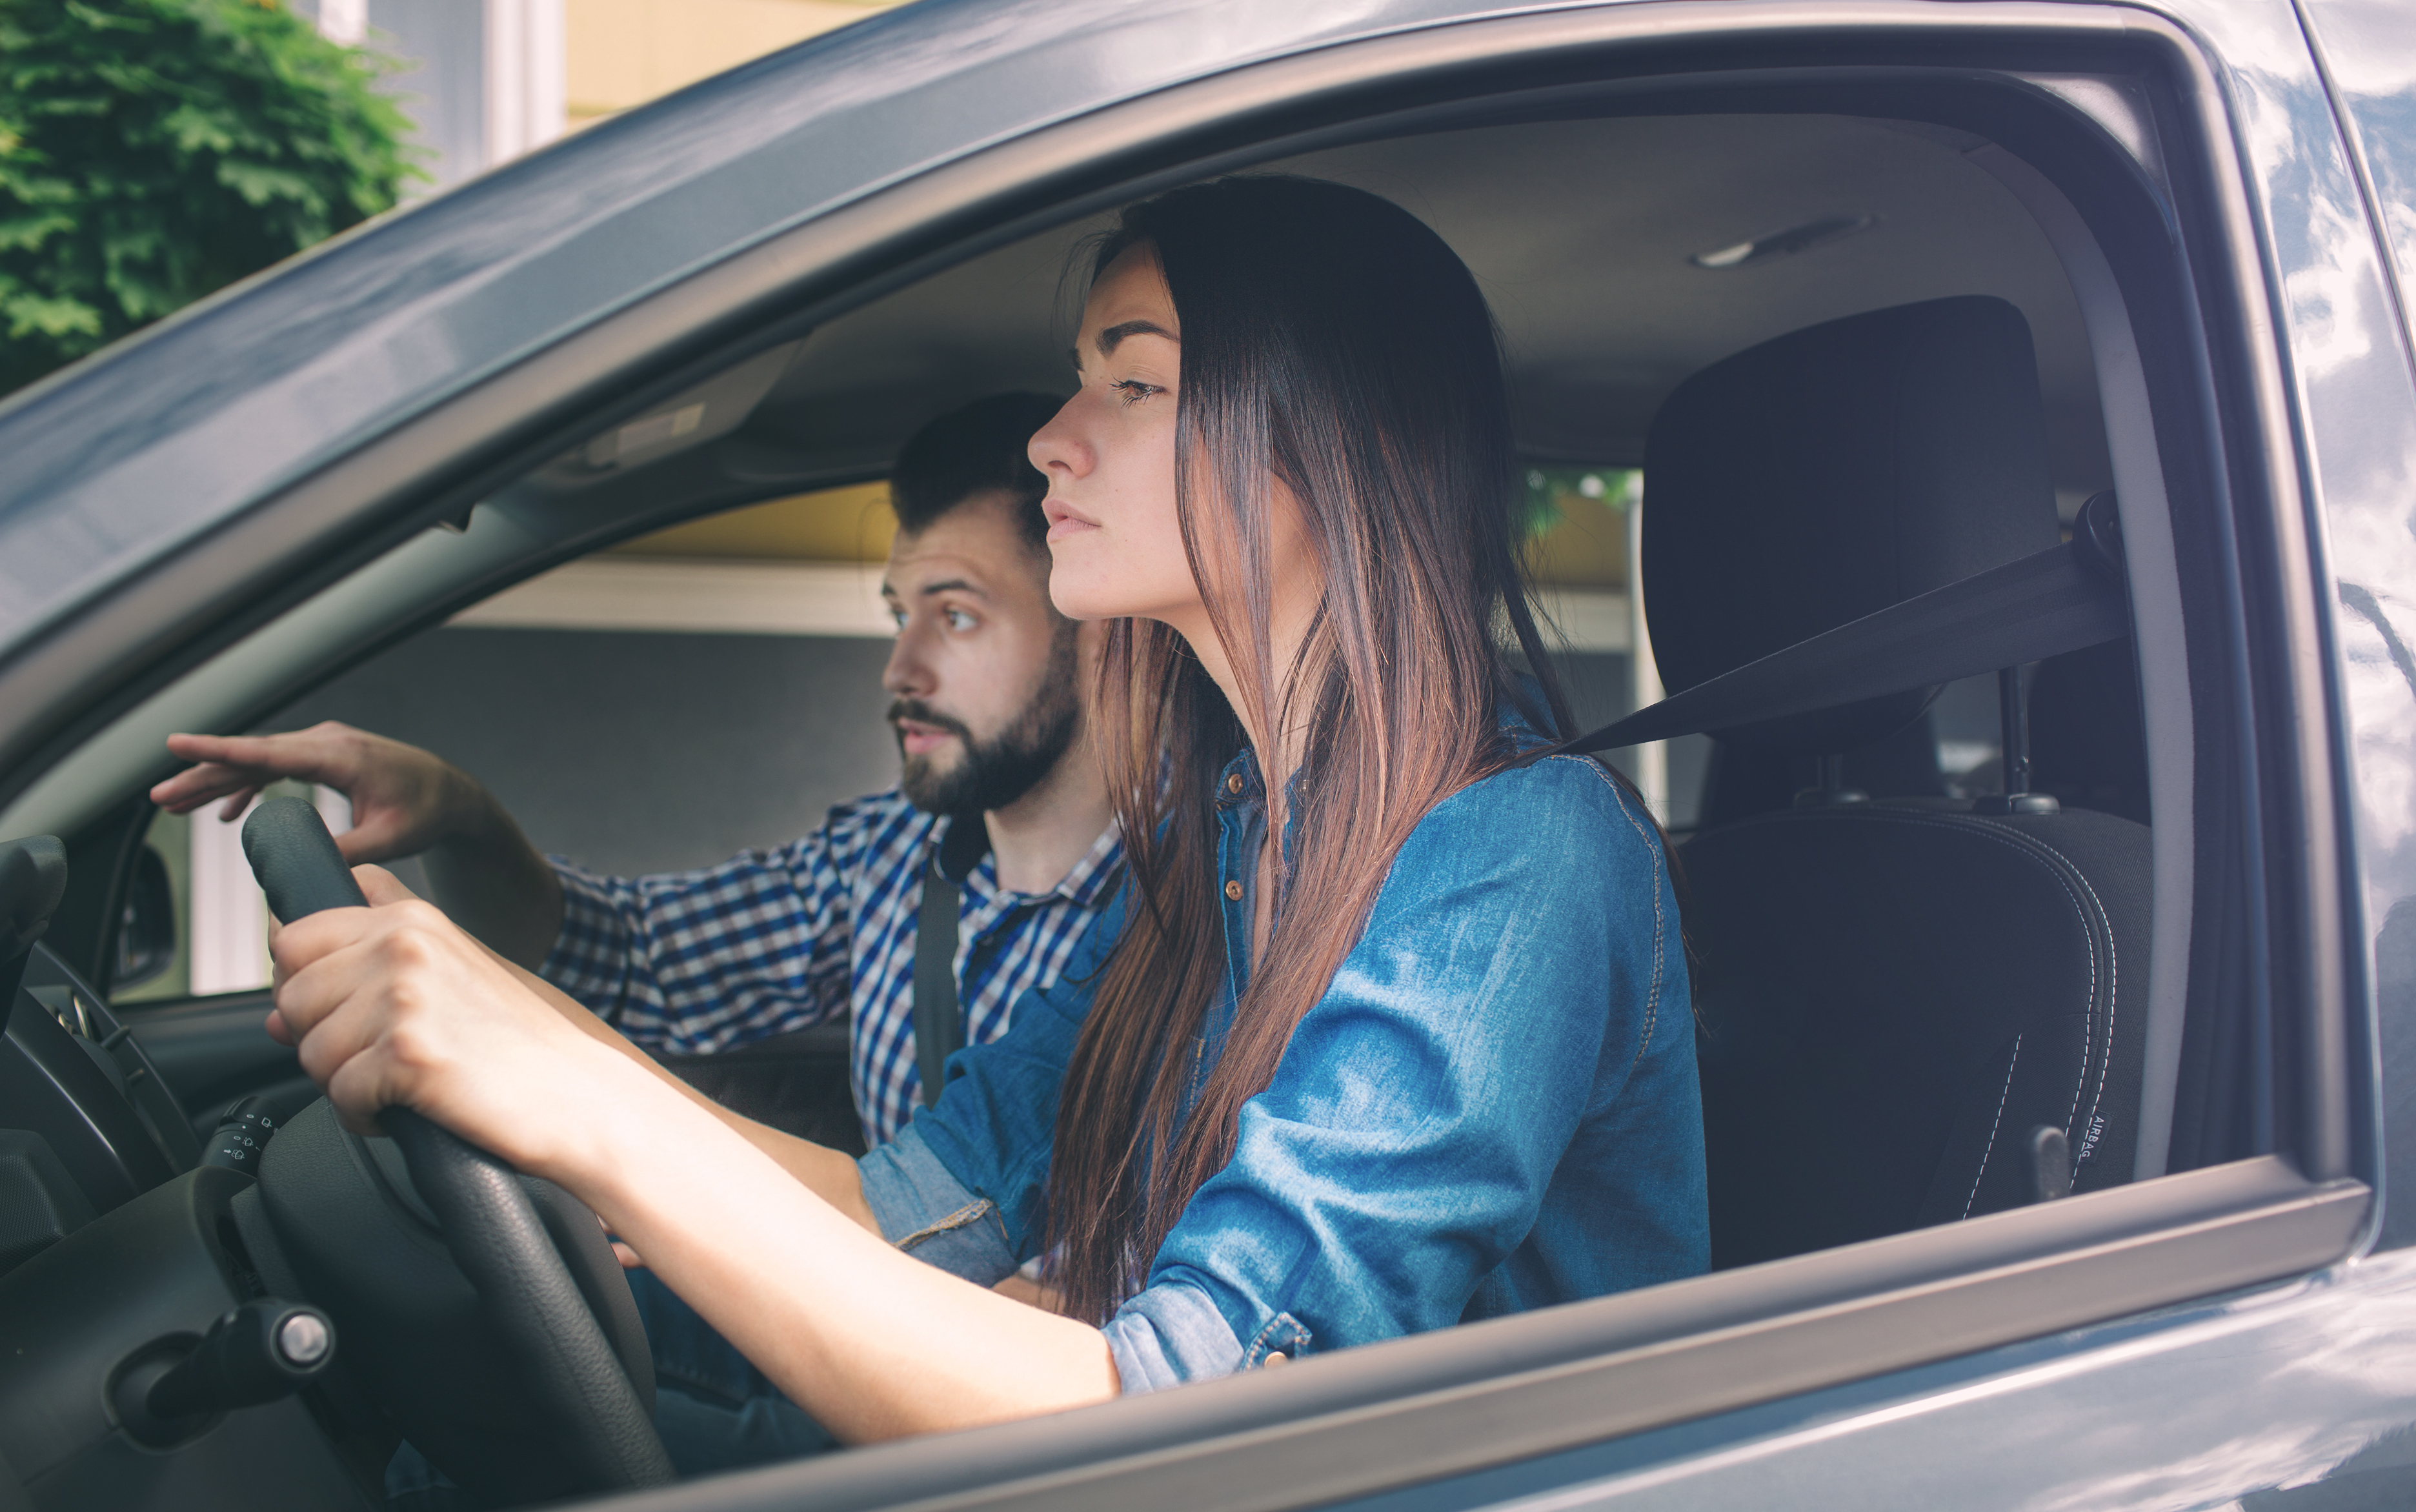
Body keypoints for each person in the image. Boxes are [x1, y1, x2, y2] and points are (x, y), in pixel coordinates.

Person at [262, 175, 1708, 1464]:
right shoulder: (1225, 849)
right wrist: (499, 1017)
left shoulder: (1517, 855)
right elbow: (911, 1203)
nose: (1051, 441)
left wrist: (589, 1107)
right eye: (1078, 379)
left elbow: (1190, 1425)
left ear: (1335, 439)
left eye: (1130, 385)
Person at [152, 393, 1125, 1152]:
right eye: (896, 614)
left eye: (954, 616)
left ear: (1098, 633)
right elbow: (629, 958)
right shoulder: (890, 858)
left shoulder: (1194, 911)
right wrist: (460, 814)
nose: (899, 669)